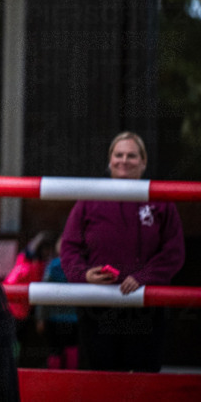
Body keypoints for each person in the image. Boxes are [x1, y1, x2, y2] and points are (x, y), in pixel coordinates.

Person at [60, 131, 185, 372]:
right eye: (118, 155)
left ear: (144, 161)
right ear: (110, 160)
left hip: (145, 306)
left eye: (131, 155)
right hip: (97, 306)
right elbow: (69, 247)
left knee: (142, 380)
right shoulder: (89, 198)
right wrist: (84, 274)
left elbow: (174, 251)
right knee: (99, 381)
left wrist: (144, 277)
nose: (124, 160)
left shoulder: (161, 200)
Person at [1, 230, 54, 365]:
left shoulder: (23, 259)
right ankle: (13, 365)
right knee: (15, 343)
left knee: (14, 342)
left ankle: (12, 365)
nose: (49, 254)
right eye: (48, 250)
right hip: (18, 311)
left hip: (14, 309)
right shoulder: (36, 266)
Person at [36, 238, 78, 370]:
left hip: (53, 318)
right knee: (72, 349)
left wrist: (40, 317)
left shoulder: (53, 266)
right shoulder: (78, 267)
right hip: (73, 318)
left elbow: (43, 293)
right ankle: (73, 379)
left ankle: (54, 380)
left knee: (55, 351)